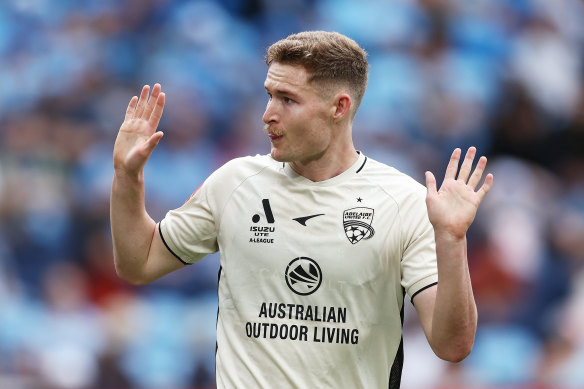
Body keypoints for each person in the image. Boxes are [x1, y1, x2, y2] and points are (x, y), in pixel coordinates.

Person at [110, 31, 493, 388]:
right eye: (269, 95)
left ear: (339, 107)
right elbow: (138, 263)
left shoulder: (403, 202)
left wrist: (452, 239)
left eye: (287, 100)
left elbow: (452, 346)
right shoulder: (234, 182)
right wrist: (127, 177)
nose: (267, 114)